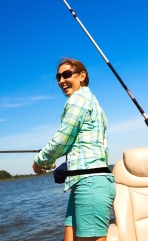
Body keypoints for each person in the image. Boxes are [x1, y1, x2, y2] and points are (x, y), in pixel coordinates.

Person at [32, 58, 116, 241]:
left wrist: (39, 162)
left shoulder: (78, 98)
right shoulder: (93, 102)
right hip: (83, 181)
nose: (61, 80)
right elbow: (75, 143)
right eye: (58, 77)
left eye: (67, 74)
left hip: (90, 183)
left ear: (82, 76)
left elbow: (62, 139)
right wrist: (53, 160)